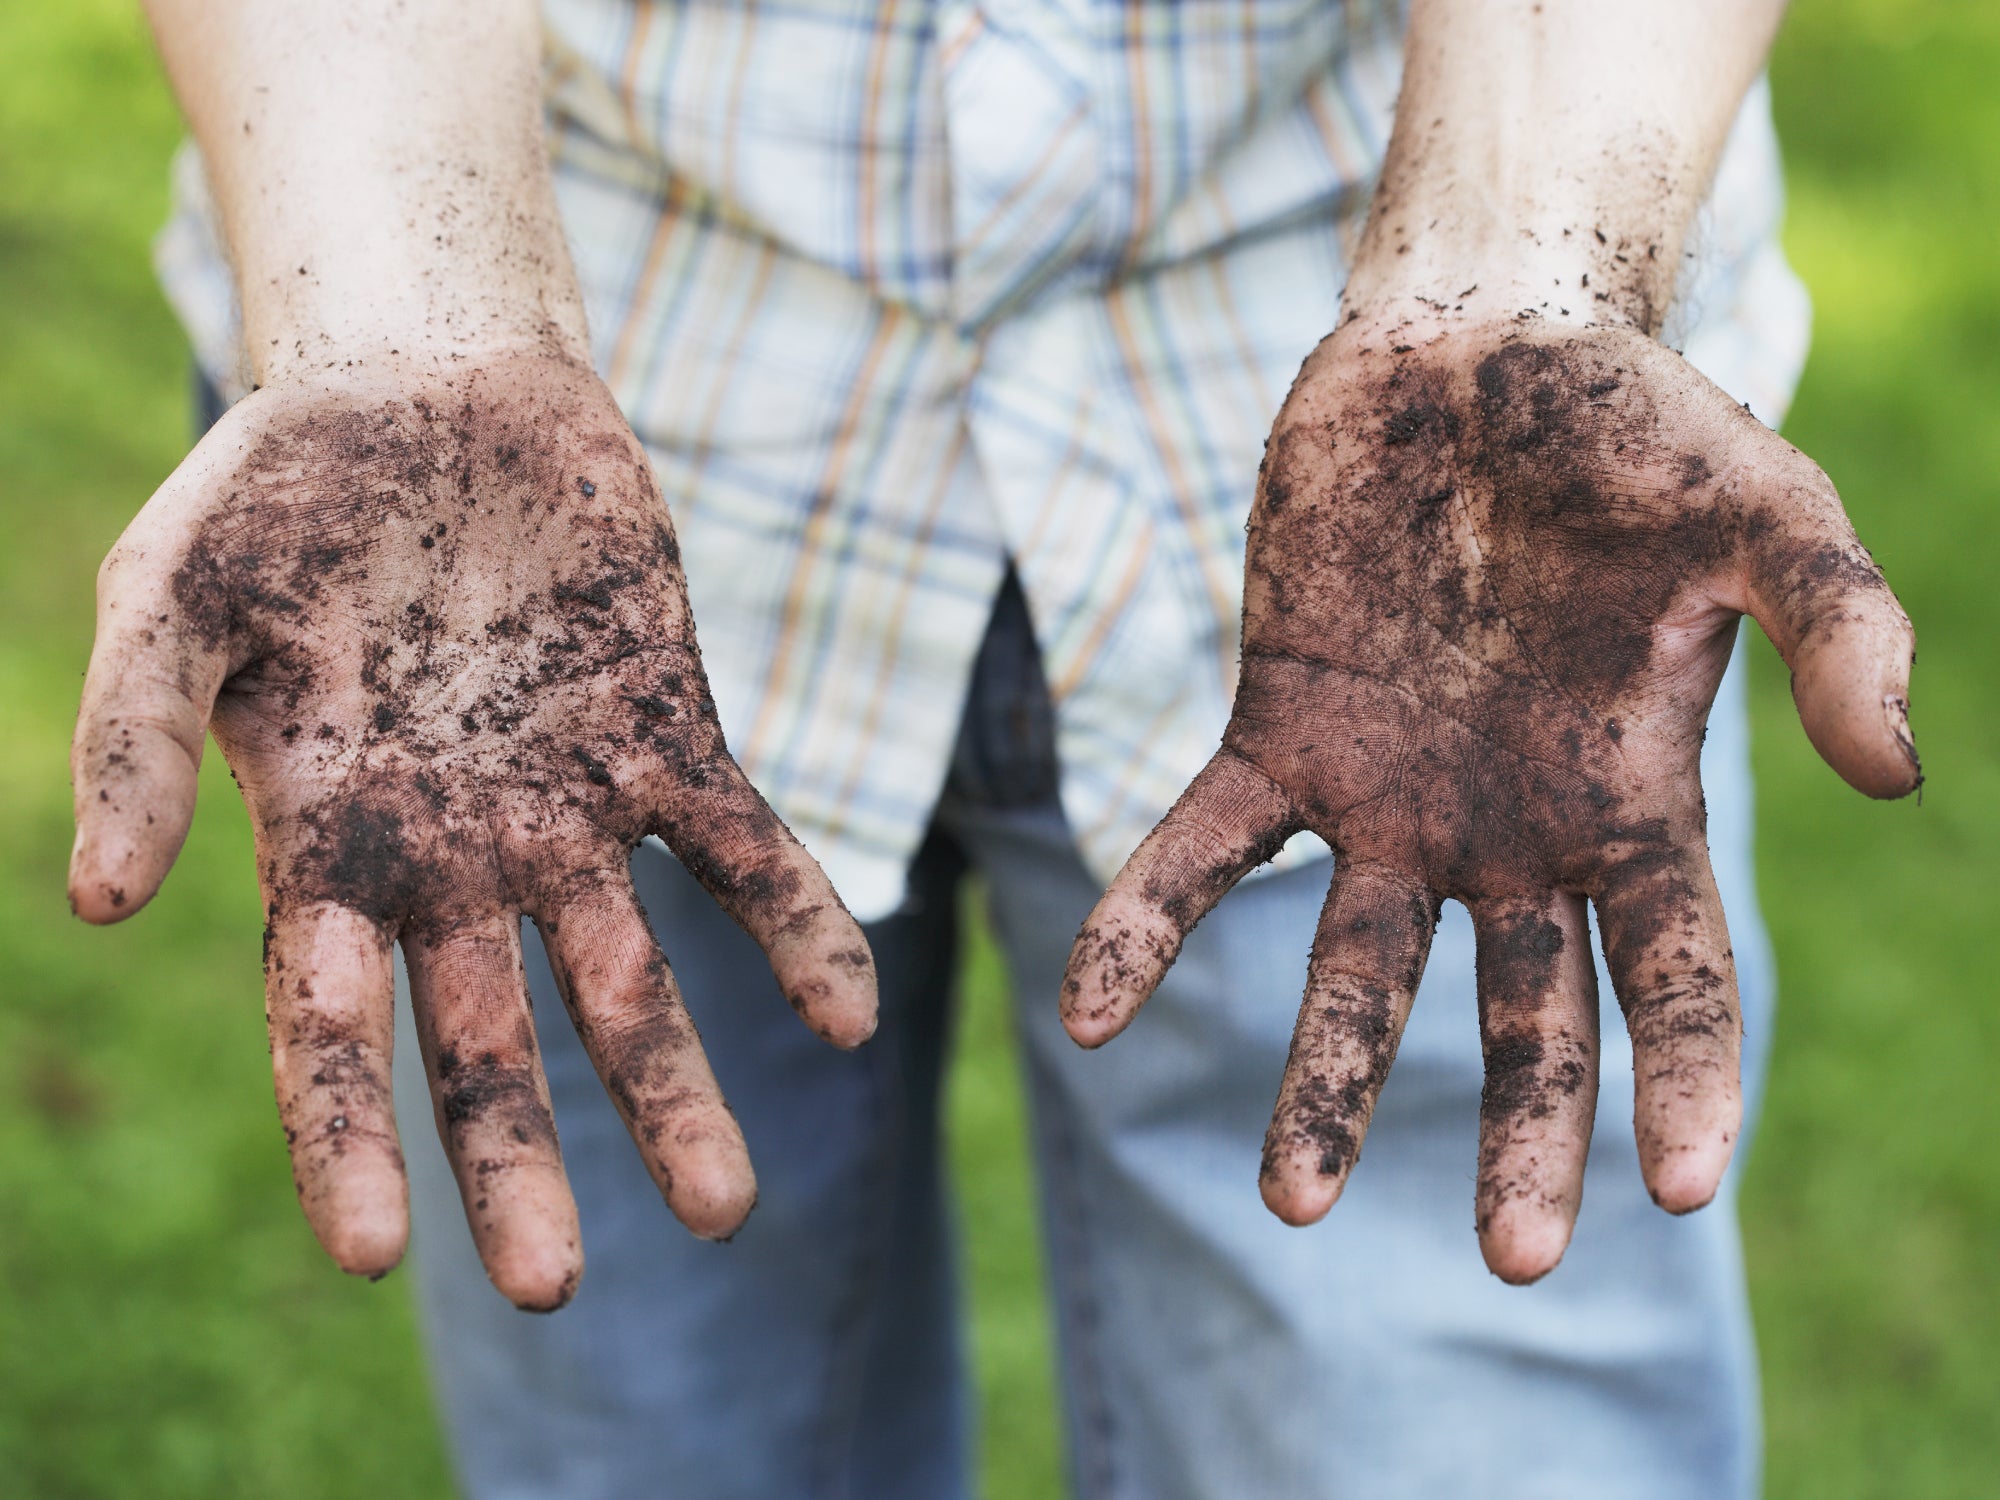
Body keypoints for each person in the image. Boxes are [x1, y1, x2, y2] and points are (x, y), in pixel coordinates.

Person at [74, 0, 1919, 1494]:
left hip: (1419, 559)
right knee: (646, 1442)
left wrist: (1529, 287)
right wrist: (402, 311)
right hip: (516, 555)